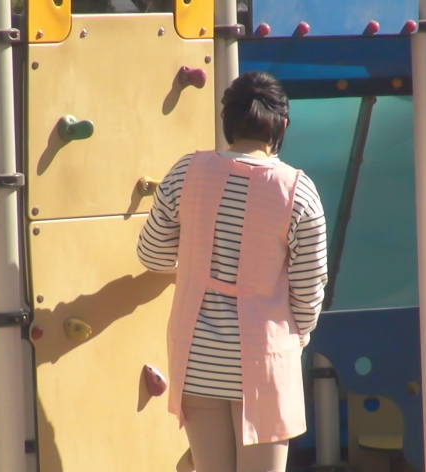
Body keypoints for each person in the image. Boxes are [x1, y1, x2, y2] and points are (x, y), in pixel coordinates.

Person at [136, 71, 328, 472]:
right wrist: (298, 337)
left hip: (196, 359)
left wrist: (190, 263)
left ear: (227, 120)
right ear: (282, 125)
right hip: (264, 362)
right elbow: (309, 292)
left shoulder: (186, 172)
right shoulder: (298, 191)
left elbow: (151, 253)